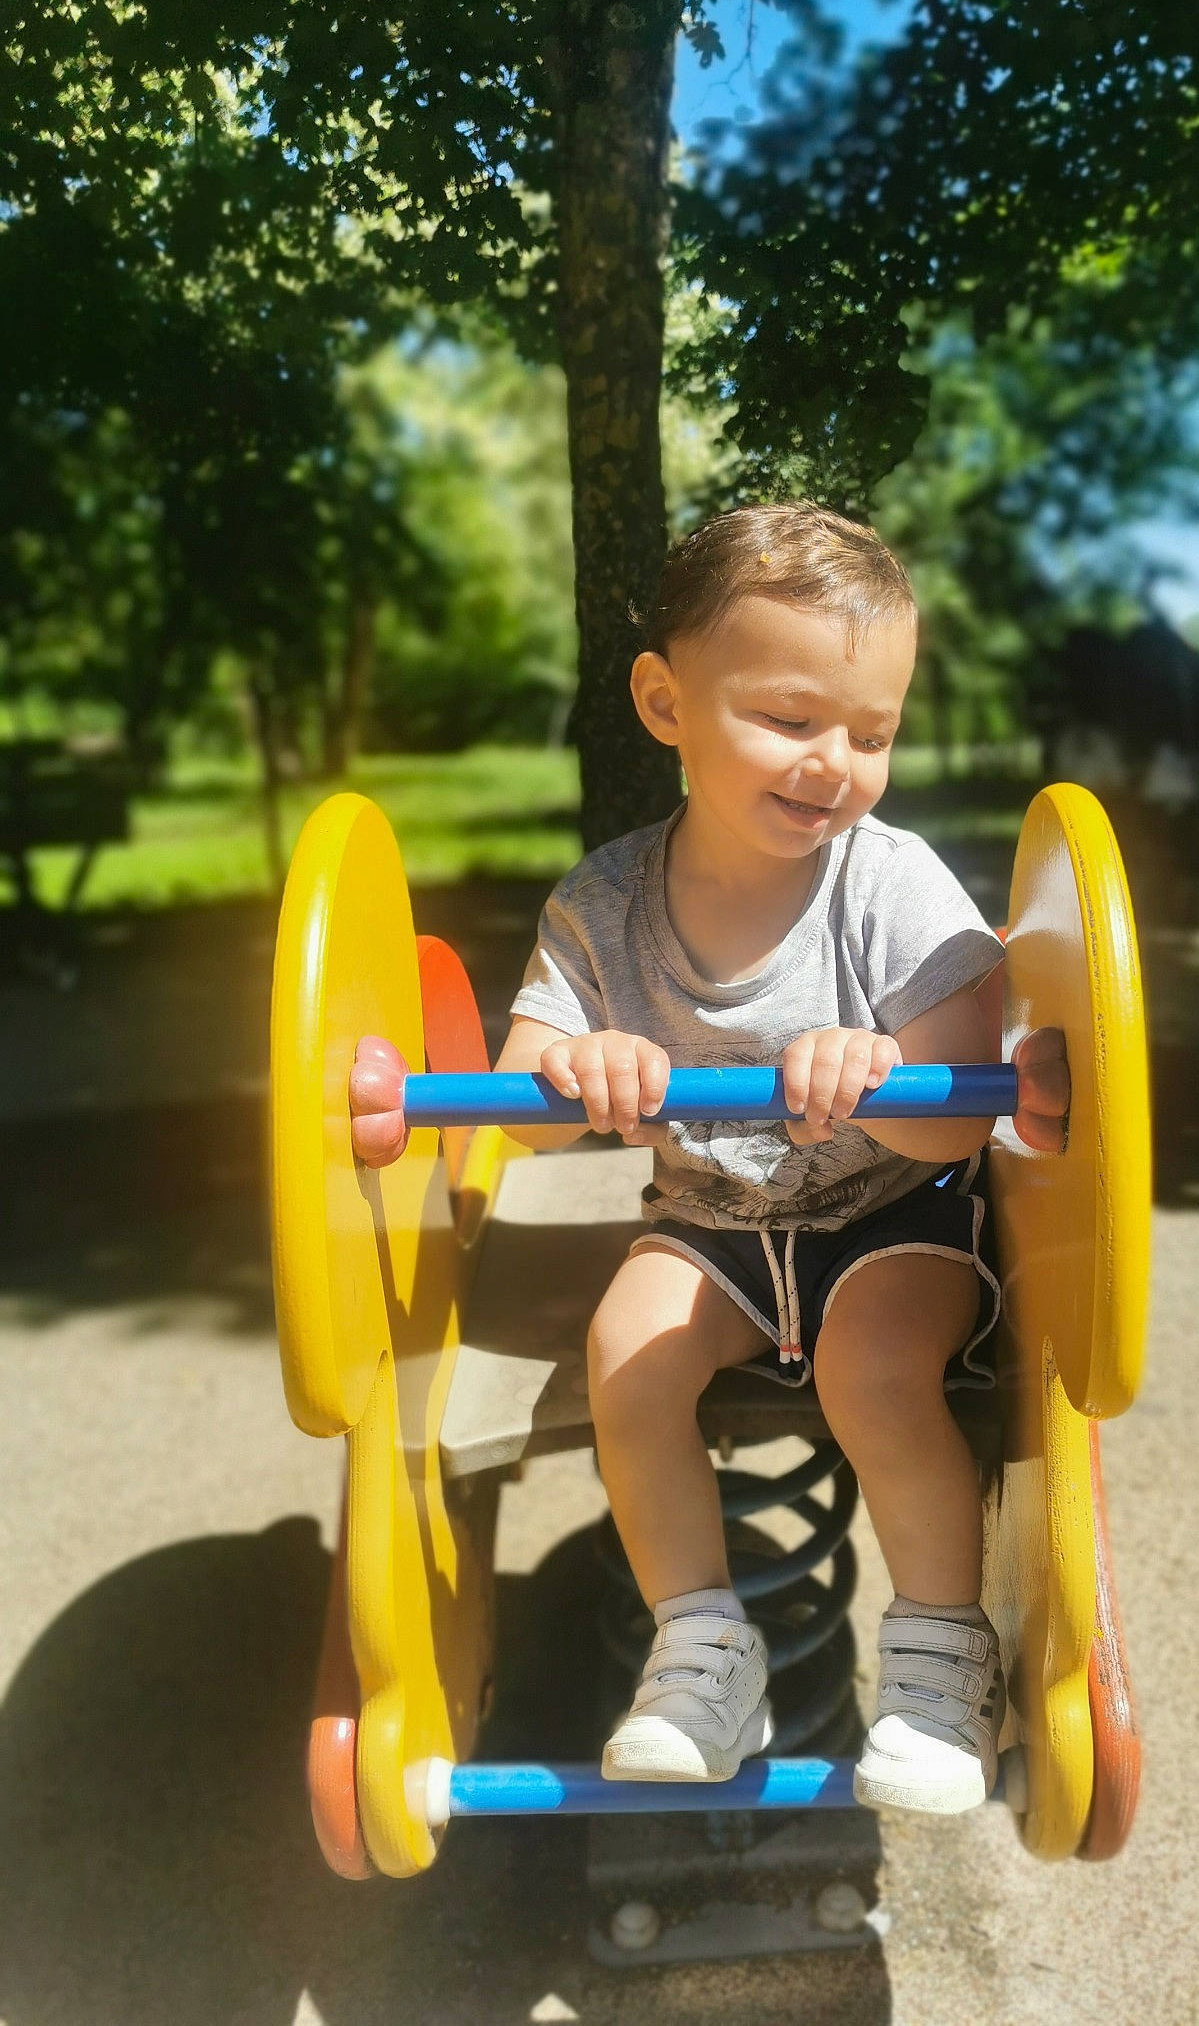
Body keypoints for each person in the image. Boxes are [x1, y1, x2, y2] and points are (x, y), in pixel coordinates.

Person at [350, 502, 1069, 1813]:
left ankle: (936, 1658)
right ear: (665, 701)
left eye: (874, 732)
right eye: (793, 720)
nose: (836, 763)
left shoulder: (890, 885)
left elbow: (961, 1115)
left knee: (876, 1370)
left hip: (889, 1212)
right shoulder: (603, 904)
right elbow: (525, 1106)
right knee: (626, 1360)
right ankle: (703, 1646)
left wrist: (879, 1072)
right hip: (706, 1219)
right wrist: (579, 1070)